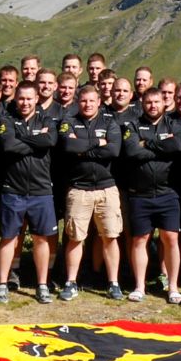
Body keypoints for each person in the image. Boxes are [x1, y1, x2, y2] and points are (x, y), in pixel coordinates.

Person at [0, 82, 59, 303]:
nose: (25, 102)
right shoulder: (6, 120)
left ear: (37, 99)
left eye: (29, 98)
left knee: (41, 238)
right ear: (15, 99)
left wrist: (21, 138)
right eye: (21, 98)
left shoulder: (47, 120)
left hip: (41, 190)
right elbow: (8, 146)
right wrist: (36, 141)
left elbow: (50, 140)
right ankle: (2, 284)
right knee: (8, 237)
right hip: (13, 190)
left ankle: (42, 285)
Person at [58, 84, 124, 301]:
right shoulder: (69, 121)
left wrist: (83, 148)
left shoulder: (110, 122)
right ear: (78, 102)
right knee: (75, 238)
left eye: (91, 101)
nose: (87, 104)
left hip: (106, 188)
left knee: (110, 237)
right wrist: (97, 143)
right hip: (79, 189)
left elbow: (113, 150)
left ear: (99, 102)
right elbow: (68, 147)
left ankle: (113, 283)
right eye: (83, 101)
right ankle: (71, 282)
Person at [120, 84, 181, 304]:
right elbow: (131, 151)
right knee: (140, 240)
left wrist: (146, 143)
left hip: (168, 193)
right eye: (148, 102)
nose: (153, 106)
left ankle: (173, 287)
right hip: (140, 194)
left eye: (157, 102)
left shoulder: (175, 124)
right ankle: (140, 286)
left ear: (164, 103)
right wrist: (161, 148)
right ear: (142, 104)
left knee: (171, 239)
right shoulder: (132, 125)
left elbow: (176, 145)